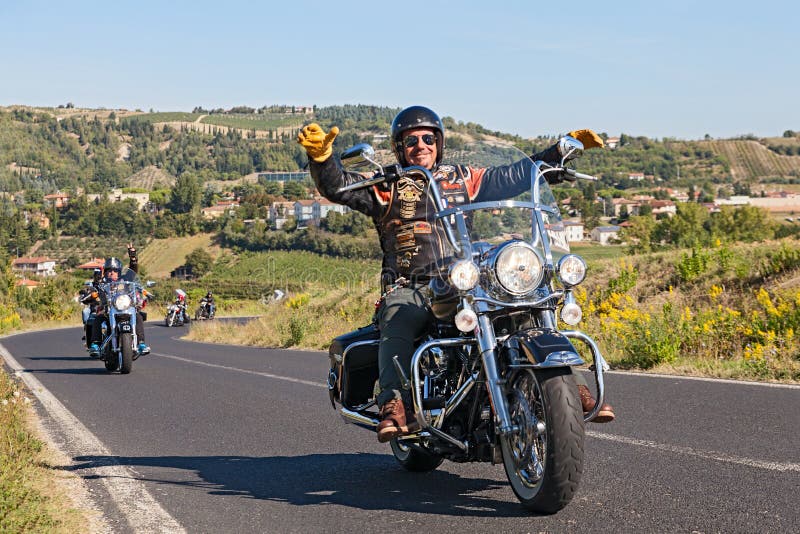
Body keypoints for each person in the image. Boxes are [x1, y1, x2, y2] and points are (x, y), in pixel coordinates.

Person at [299, 106, 615, 443]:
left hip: (467, 277)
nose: (420, 145)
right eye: (411, 140)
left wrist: (559, 152)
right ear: (399, 147)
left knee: (522, 304)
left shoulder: (464, 178)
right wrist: (322, 159)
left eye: (427, 138)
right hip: (414, 283)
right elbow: (340, 186)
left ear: (438, 142)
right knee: (398, 316)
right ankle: (395, 402)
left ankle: (566, 385)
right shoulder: (386, 185)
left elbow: (512, 176)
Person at [89, 244, 150, 357]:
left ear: (119, 272)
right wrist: (95, 288)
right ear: (105, 272)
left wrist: (133, 257)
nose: (112, 273)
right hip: (108, 311)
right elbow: (95, 288)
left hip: (125, 309)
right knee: (97, 318)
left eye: (115, 270)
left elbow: (133, 270)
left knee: (138, 316)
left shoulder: (125, 280)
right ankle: (96, 344)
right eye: (109, 270)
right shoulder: (103, 283)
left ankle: (141, 343)